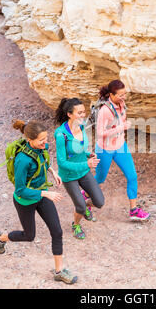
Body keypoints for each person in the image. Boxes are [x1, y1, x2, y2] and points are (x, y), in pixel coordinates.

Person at [0, 119, 77, 284]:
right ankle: (0, 238)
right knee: (29, 236)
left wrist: (53, 172)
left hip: (42, 196)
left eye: (46, 138)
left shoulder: (41, 148)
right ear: (30, 140)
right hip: (25, 201)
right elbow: (20, 189)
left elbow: (44, 160)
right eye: (41, 140)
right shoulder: (22, 160)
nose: (45, 142)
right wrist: (45, 193)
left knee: (57, 231)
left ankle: (59, 271)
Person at [90, 79, 150, 221]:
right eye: (120, 95)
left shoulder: (122, 104)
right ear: (111, 94)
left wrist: (121, 128)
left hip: (120, 146)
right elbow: (100, 133)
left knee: (132, 176)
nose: (123, 97)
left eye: (124, 94)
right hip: (105, 149)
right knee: (100, 178)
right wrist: (120, 128)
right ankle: (85, 195)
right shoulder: (105, 110)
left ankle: (134, 210)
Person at [54, 98, 105, 240]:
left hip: (83, 172)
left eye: (84, 112)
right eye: (79, 112)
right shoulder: (61, 134)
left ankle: (84, 206)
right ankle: (76, 224)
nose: (83, 115)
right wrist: (87, 164)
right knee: (80, 207)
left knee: (99, 202)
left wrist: (88, 154)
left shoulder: (82, 127)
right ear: (70, 114)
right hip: (69, 176)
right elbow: (62, 162)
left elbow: (78, 150)